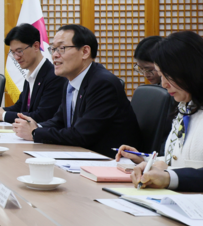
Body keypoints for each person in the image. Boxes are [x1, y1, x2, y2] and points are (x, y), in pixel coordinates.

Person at [13, 24, 142, 157]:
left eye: (62, 48)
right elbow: (59, 121)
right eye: (53, 49)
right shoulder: (70, 81)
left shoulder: (102, 83)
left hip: (109, 160)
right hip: (82, 155)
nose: (55, 55)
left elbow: (82, 134)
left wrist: (35, 133)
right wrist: (34, 126)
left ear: (85, 52)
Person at [116, 31, 203, 190]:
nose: (163, 84)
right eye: (161, 76)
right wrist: (147, 161)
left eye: (168, 76)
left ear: (191, 70)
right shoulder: (185, 106)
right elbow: (176, 160)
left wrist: (169, 177)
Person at [0, 24, 65, 123]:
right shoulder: (31, 75)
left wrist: (4, 115)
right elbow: (19, 107)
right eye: (13, 53)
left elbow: (42, 116)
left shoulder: (55, 76)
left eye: (19, 51)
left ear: (36, 46)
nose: (16, 57)